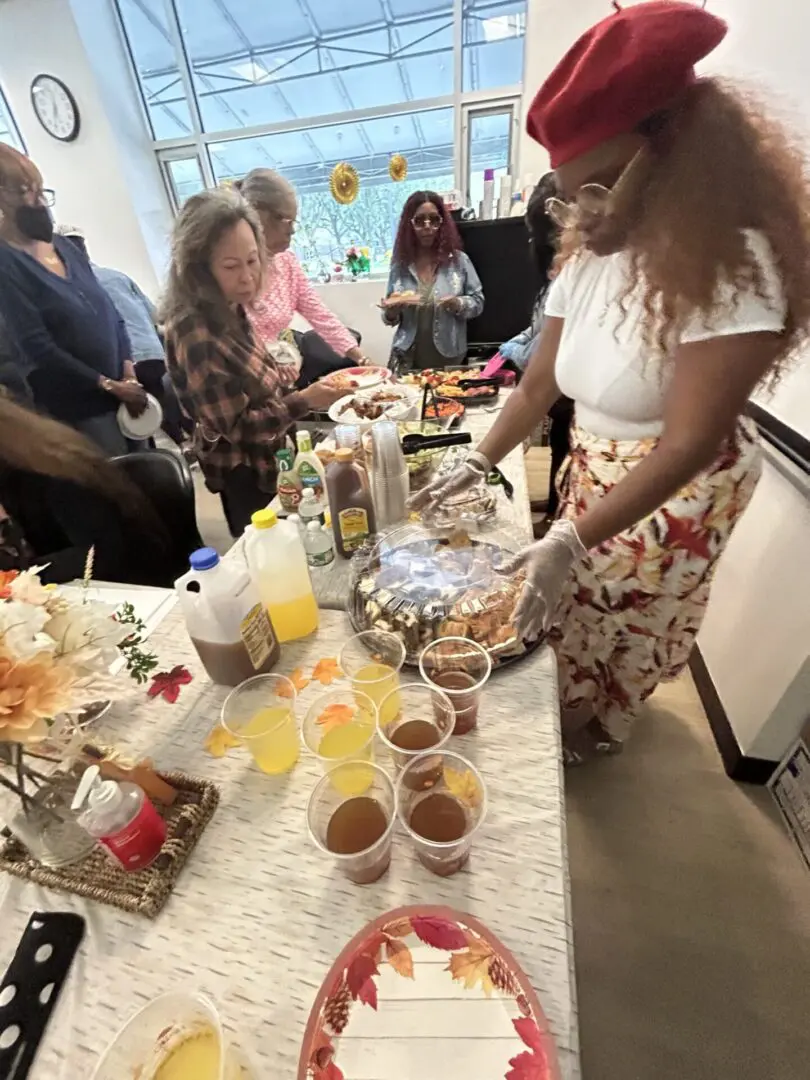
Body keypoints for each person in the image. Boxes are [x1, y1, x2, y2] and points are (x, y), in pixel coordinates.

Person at [412, 2, 810, 763]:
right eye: (569, 191)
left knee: (629, 623)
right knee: (576, 610)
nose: (580, 212)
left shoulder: (737, 265)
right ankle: (575, 707)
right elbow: (535, 388)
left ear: (673, 153)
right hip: (596, 466)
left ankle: (600, 729)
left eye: (598, 184)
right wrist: (477, 457)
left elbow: (691, 440)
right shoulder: (593, 249)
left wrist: (570, 533)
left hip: (679, 489)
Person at [161, 188, 347, 536]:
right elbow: (240, 427)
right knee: (269, 547)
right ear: (199, 269)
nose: (247, 276)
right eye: (231, 266)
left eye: (252, 260)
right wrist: (304, 401)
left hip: (273, 456)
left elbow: (251, 379)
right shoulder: (195, 331)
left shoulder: (231, 306)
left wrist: (284, 378)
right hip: (243, 471)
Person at [0, 145, 146, 455]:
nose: (39, 203)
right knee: (117, 486)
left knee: (153, 475)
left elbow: (110, 312)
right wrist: (106, 384)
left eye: (42, 192)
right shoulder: (6, 263)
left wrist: (128, 372)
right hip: (82, 408)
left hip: (124, 392)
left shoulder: (66, 247)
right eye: (26, 192)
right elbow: (37, 346)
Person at [55, 224, 192, 448]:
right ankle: (186, 444)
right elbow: (156, 315)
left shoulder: (77, 288)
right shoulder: (116, 276)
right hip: (151, 357)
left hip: (121, 371)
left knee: (141, 426)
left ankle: (179, 447)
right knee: (163, 413)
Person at [237, 169, 371, 382]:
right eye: (285, 220)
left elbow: (321, 316)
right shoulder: (237, 271)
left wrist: (362, 359)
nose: (292, 230)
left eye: (294, 221)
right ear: (257, 217)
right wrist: (273, 360)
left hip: (282, 372)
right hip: (248, 379)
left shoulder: (286, 261)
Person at [496, 175, 574, 519]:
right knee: (561, 466)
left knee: (566, 471)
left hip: (571, 402)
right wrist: (515, 343)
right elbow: (539, 327)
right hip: (562, 406)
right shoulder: (553, 283)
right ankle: (555, 519)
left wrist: (514, 352)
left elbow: (542, 358)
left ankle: (557, 521)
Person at [382, 190, 484, 372]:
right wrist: (391, 312)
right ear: (409, 225)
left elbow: (478, 302)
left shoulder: (459, 261)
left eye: (434, 220)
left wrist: (458, 303)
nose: (427, 226)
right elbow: (389, 316)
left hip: (448, 357)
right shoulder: (400, 265)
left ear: (442, 224)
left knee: (447, 399)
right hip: (407, 357)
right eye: (420, 221)